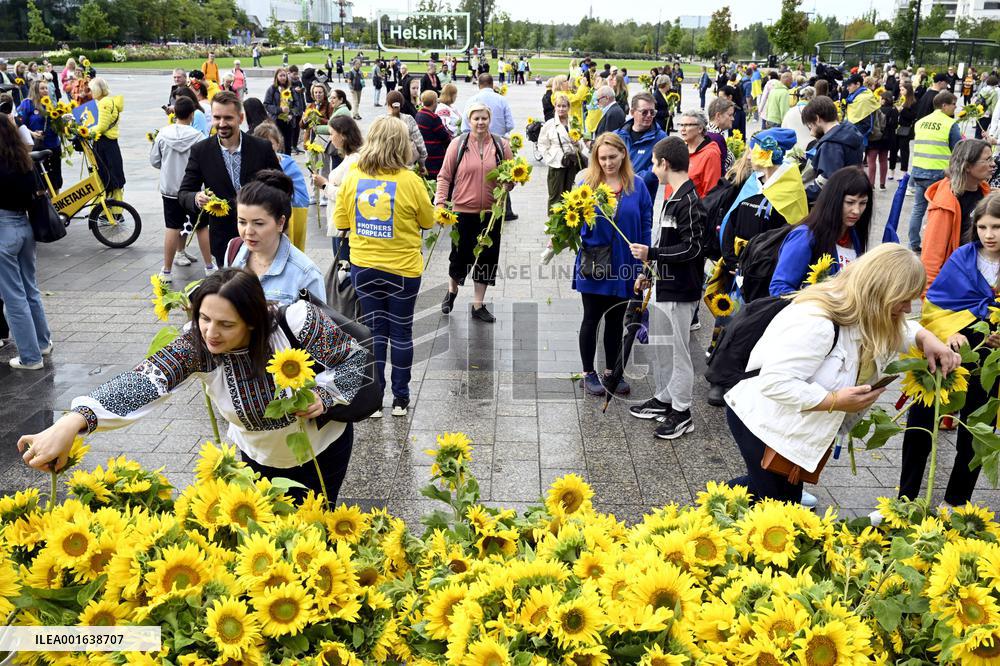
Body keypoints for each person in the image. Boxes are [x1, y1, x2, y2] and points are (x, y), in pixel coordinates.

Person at [19, 268, 367, 502]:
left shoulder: (296, 322)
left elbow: (355, 359)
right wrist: (73, 421)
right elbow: (144, 380)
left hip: (322, 448)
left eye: (226, 324)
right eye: (204, 318)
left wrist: (324, 395)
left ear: (253, 321)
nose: (211, 333)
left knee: (317, 528)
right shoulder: (197, 345)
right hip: (255, 455)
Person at [724, 244, 959, 503]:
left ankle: (709, 509)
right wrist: (835, 401)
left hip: (794, 426)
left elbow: (898, 329)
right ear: (878, 292)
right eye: (903, 299)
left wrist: (924, 337)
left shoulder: (866, 311)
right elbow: (775, 383)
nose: (907, 308)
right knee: (779, 509)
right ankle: (705, 517)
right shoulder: (818, 322)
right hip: (763, 421)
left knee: (771, 495)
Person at [898, 194, 1000, 509]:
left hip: (988, 361)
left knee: (975, 432)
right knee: (920, 423)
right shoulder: (961, 258)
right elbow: (935, 306)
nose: (989, 234)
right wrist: (947, 332)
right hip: (945, 351)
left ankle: (956, 503)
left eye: (996, 226)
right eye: (982, 226)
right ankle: (906, 498)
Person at [333, 116, 434, 417]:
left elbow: (340, 222)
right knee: (401, 333)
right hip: (403, 269)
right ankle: (400, 399)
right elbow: (428, 221)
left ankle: (374, 400)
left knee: (374, 332)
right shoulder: (411, 182)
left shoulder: (353, 178)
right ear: (402, 145)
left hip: (364, 267)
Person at [627, 137, 705, 440]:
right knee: (662, 348)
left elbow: (694, 248)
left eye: (654, 163)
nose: (652, 169)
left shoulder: (688, 200)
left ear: (665, 164)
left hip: (680, 290)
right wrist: (649, 271)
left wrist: (652, 256)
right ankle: (664, 398)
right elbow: (666, 243)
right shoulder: (674, 195)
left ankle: (682, 411)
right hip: (664, 285)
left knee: (678, 352)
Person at [573, 134, 651, 397]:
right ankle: (587, 373)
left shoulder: (637, 186)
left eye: (612, 157)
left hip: (626, 263)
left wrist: (645, 263)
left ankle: (611, 372)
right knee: (591, 318)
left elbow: (646, 224)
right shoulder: (586, 184)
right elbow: (571, 222)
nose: (607, 163)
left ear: (623, 155)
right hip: (595, 261)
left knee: (617, 319)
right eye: (602, 158)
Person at [178, 91, 281, 265]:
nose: (222, 123)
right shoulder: (201, 151)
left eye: (228, 118)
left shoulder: (261, 147)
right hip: (223, 241)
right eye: (217, 118)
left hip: (261, 236)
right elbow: (184, 193)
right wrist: (196, 198)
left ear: (241, 118)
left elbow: (281, 186)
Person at [435, 102, 514, 323]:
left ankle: (478, 304)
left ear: (490, 120)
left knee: (487, 258)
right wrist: (440, 204)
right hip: (462, 210)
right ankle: (452, 290)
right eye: (476, 118)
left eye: (484, 118)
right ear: (469, 120)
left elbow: (511, 176)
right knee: (460, 256)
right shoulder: (458, 144)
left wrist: (510, 184)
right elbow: (444, 176)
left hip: (491, 212)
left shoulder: (501, 145)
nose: (480, 122)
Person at [0, 112, 51, 370]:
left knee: (13, 297)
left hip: (3, 230)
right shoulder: (22, 160)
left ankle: (31, 357)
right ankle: (43, 342)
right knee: (30, 289)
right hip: (24, 226)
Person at [225, 170, 323, 303]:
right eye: (242, 222)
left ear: (280, 222)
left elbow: (318, 323)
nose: (248, 231)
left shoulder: (306, 274)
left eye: (258, 223)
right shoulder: (234, 249)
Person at [771, 167, 872, 297]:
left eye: (863, 203)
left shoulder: (854, 235)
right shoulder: (805, 236)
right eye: (850, 202)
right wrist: (818, 307)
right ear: (833, 200)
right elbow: (779, 288)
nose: (856, 211)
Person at [150, 97, 215, 283]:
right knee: (202, 227)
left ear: (174, 113)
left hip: (170, 189)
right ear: (192, 114)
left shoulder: (162, 134)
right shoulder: (199, 137)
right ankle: (209, 266)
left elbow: (155, 160)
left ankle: (167, 271)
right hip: (194, 190)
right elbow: (207, 163)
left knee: (172, 227)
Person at [919, 139, 993, 290]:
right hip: (957, 284)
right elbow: (931, 258)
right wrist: (929, 299)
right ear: (967, 166)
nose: (993, 164)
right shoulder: (945, 204)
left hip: (981, 282)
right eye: (987, 160)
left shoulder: (985, 192)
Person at [907, 92, 961, 252]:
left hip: (918, 171)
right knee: (936, 212)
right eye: (953, 104)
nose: (955, 107)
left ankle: (913, 244)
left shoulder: (921, 122)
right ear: (944, 105)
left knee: (918, 209)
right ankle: (933, 246)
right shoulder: (950, 124)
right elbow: (958, 149)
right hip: (939, 174)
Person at [252, 122, 311, 252]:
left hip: (287, 219)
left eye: (270, 144)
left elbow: (301, 194)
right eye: (262, 143)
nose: (266, 148)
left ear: (278, 144)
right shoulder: (253, 165)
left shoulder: (289, 164)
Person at [800, 96, 865, 202]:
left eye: (810, 125)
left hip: (836, 202)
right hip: (851, 193)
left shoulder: (831, 144)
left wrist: (803, 196)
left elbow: (827, 181)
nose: (811, 131)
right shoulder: (849, 133)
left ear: (817, 119)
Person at [315, 115, 363, 255]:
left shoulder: (355, 160)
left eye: (332, 134)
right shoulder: (350, 156)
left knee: (343, 267)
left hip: (345, 225)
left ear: (342, 134)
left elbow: (347, 194)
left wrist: (324, 185)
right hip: (339, 222)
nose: (330, 138)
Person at [538, 93, 587, 209]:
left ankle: (566, 220)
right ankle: (553, 221)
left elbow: (581, 144)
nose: (561, 109)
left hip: (571, 162)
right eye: (558, 106)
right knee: (555, 194)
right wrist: (549, 157)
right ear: (555, 107)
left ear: (568, 107)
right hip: (556, 163)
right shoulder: (549, 125)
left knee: (569, 192)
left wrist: (577, 143)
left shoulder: (573, 123)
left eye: (564, 106)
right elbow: (542, 144)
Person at [615, 92, 667, 199]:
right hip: (615, 196)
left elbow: (659, 167)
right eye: (644, 112)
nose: (649, 116)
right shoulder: (616, 135)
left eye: (652, 112)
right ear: (632, 112)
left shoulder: (661, 139)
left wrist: (631, 179)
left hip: (642, 198)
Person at [17, 80, 62, 191]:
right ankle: (44, 206)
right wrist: (32, 133)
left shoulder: (50, 103)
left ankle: (56, 205)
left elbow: (56, 121)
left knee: (55, 180)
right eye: (42, 88)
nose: (45, 90)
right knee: (41, 182)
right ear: (35, 90)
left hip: (54, 144)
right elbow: (19, 123)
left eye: (46, 88)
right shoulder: (27, 104)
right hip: (38, 147)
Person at [88, 78, 126, 203]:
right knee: (112, 176)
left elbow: (102, 126)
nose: (90, 92)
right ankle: (113, 210)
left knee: (109, 177)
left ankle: (113, 211)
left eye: (92, 89)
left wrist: (86, 132)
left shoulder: (104, 103)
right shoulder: (106, 101)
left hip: (105, 143)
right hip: (108, 143)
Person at [674, 110, 722, 198]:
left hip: (694, 209)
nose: (683, 129)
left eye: (688, 125)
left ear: (700, 128)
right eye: (681, 125)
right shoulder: (681, 149)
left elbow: (711, 193)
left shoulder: (710, 154)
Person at [462, 73, 515, 138]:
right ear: (492, 84)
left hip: (476, 141)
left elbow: (465, 127)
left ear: (479, 85)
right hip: (499, 141)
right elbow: (510, 125)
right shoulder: (502, 100)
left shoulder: (471, 100)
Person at [385, 90, 427, 168]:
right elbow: (419, 143)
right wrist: (422, 164)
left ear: (387, 104)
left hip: (385, 166)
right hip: (407, 165)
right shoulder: (409, 119)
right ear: (402, 104)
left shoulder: (381, 121)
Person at [415, 91, 451, 179]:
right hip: (435, 155)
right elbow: (444, 137)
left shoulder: (419, 114)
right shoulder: (433, 118)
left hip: (423, 152)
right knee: (436, 178)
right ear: (434, 102)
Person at [865, 91, 897, 190]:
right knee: (883, 161)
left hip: (874, 138)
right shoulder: (894, 110)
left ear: (884, 99)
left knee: (871, 161)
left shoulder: (875, 110)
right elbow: (895, 125)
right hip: (887, 139)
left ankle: (871, 184)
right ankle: (882, 184)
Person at [263, 68, 295, 154]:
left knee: (288, 145)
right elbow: (266, 105)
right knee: (278, 143)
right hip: (276, 120)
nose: (283, 78)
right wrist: (280, 110)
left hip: (288, 121)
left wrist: (291, 114)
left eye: (284, 75)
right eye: (280, 75)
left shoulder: (290, 89)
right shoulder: (272, 89)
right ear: (276, 77)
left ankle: (287, 163)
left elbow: (296, 104)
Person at [890, 82, 917, 182]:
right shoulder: (899, 100)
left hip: (905, 129)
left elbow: (912, 116)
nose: (901, 92)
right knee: (893, 150)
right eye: (900, 90)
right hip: (895, 128)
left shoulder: (912, 102)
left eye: (903, 90)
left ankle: (904, 172)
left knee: (904, 151)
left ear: (908, 91)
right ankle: (891, 170)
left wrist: (902, 110)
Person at [706, 97, 735, 173]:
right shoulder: (716, 138)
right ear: (718, 116)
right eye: (730, 115)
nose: (733, 119)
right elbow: (721, 170)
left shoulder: (708, 132)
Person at [782, 85, 815, 151]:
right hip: (811, 149)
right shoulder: (813, 111)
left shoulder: (790, 111)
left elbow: (783, 129)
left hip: (793, 150)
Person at [976, 75, 999, 139]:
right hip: (987, 115)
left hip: (979, 112)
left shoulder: (983, 89)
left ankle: (975, 145)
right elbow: (994, 106)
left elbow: (978, 99)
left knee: (978, 132)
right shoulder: (994, 92)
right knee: (985, 133)